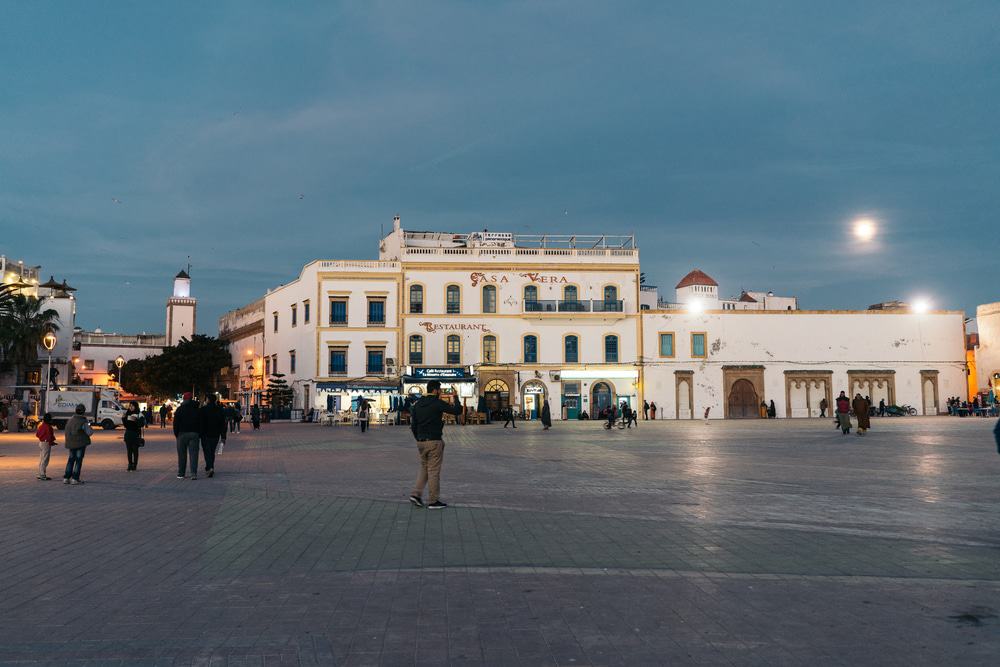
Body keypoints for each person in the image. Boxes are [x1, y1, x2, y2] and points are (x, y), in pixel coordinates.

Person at [408, 380, 462, 510]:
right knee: (433, 471)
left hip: (421, 442)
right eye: (440, 390)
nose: (440, 392)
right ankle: (433, 501)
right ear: (436, 390)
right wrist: (455, 396)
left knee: (424, 468)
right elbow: (457, 411)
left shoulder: (417, 404)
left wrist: (418, 438)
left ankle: (416, 494)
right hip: (434, 441)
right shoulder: (437, 403)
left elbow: (413, 425)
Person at [63, 403, 93, 484]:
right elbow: (89, 432)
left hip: (71, 443)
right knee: (78, 460)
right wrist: (89, 424)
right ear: (83, 412)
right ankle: (75, 478)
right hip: (80, 443)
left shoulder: (70, 420)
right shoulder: (83, 421)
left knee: (71, 460)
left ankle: (66, 477)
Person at [173, 392, 201, 479]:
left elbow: (175, 423)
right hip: (194, 433)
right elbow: (201, 422)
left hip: (182, 434)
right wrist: (199, 433)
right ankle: (193, 474)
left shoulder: (180, 409)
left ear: (184, 399)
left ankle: (181, 473)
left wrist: (176, 433)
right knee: (194, 455)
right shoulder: (197, 409)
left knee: (182, 455)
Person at [198, 394, 226, 478]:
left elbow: (200, 423)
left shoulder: (203, 410)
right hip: (215, 434)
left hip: (205, 434)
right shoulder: (220, 410)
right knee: (212, 451)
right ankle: (210, 467)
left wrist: (199, 434)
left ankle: (209, 467)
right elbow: (223, 424)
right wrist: (223, 436)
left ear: (208, 400)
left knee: (207, 451)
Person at [122, 401, 145, 472]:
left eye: (132, 406)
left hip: (135, 434)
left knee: (135, 450)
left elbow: (141, 424)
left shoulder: (139, 414)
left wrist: (136, 420)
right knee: (129, 451)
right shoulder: (127, 413)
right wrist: (123, 419)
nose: (131, 407)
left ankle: (134, 465)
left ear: (136, 406)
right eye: (130, 406)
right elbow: (126, 425)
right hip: (128, 434)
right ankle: (130, 464)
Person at [35, 413, 56, 480]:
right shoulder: (48, 427)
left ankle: (40, 473)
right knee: (45, 459)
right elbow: (50, 436)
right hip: (46, 443)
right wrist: (51, 442)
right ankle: (42, 475)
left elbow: (37, 435)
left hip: (41, 443)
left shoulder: (41, 426)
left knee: (42, 459)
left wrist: (41, 437)